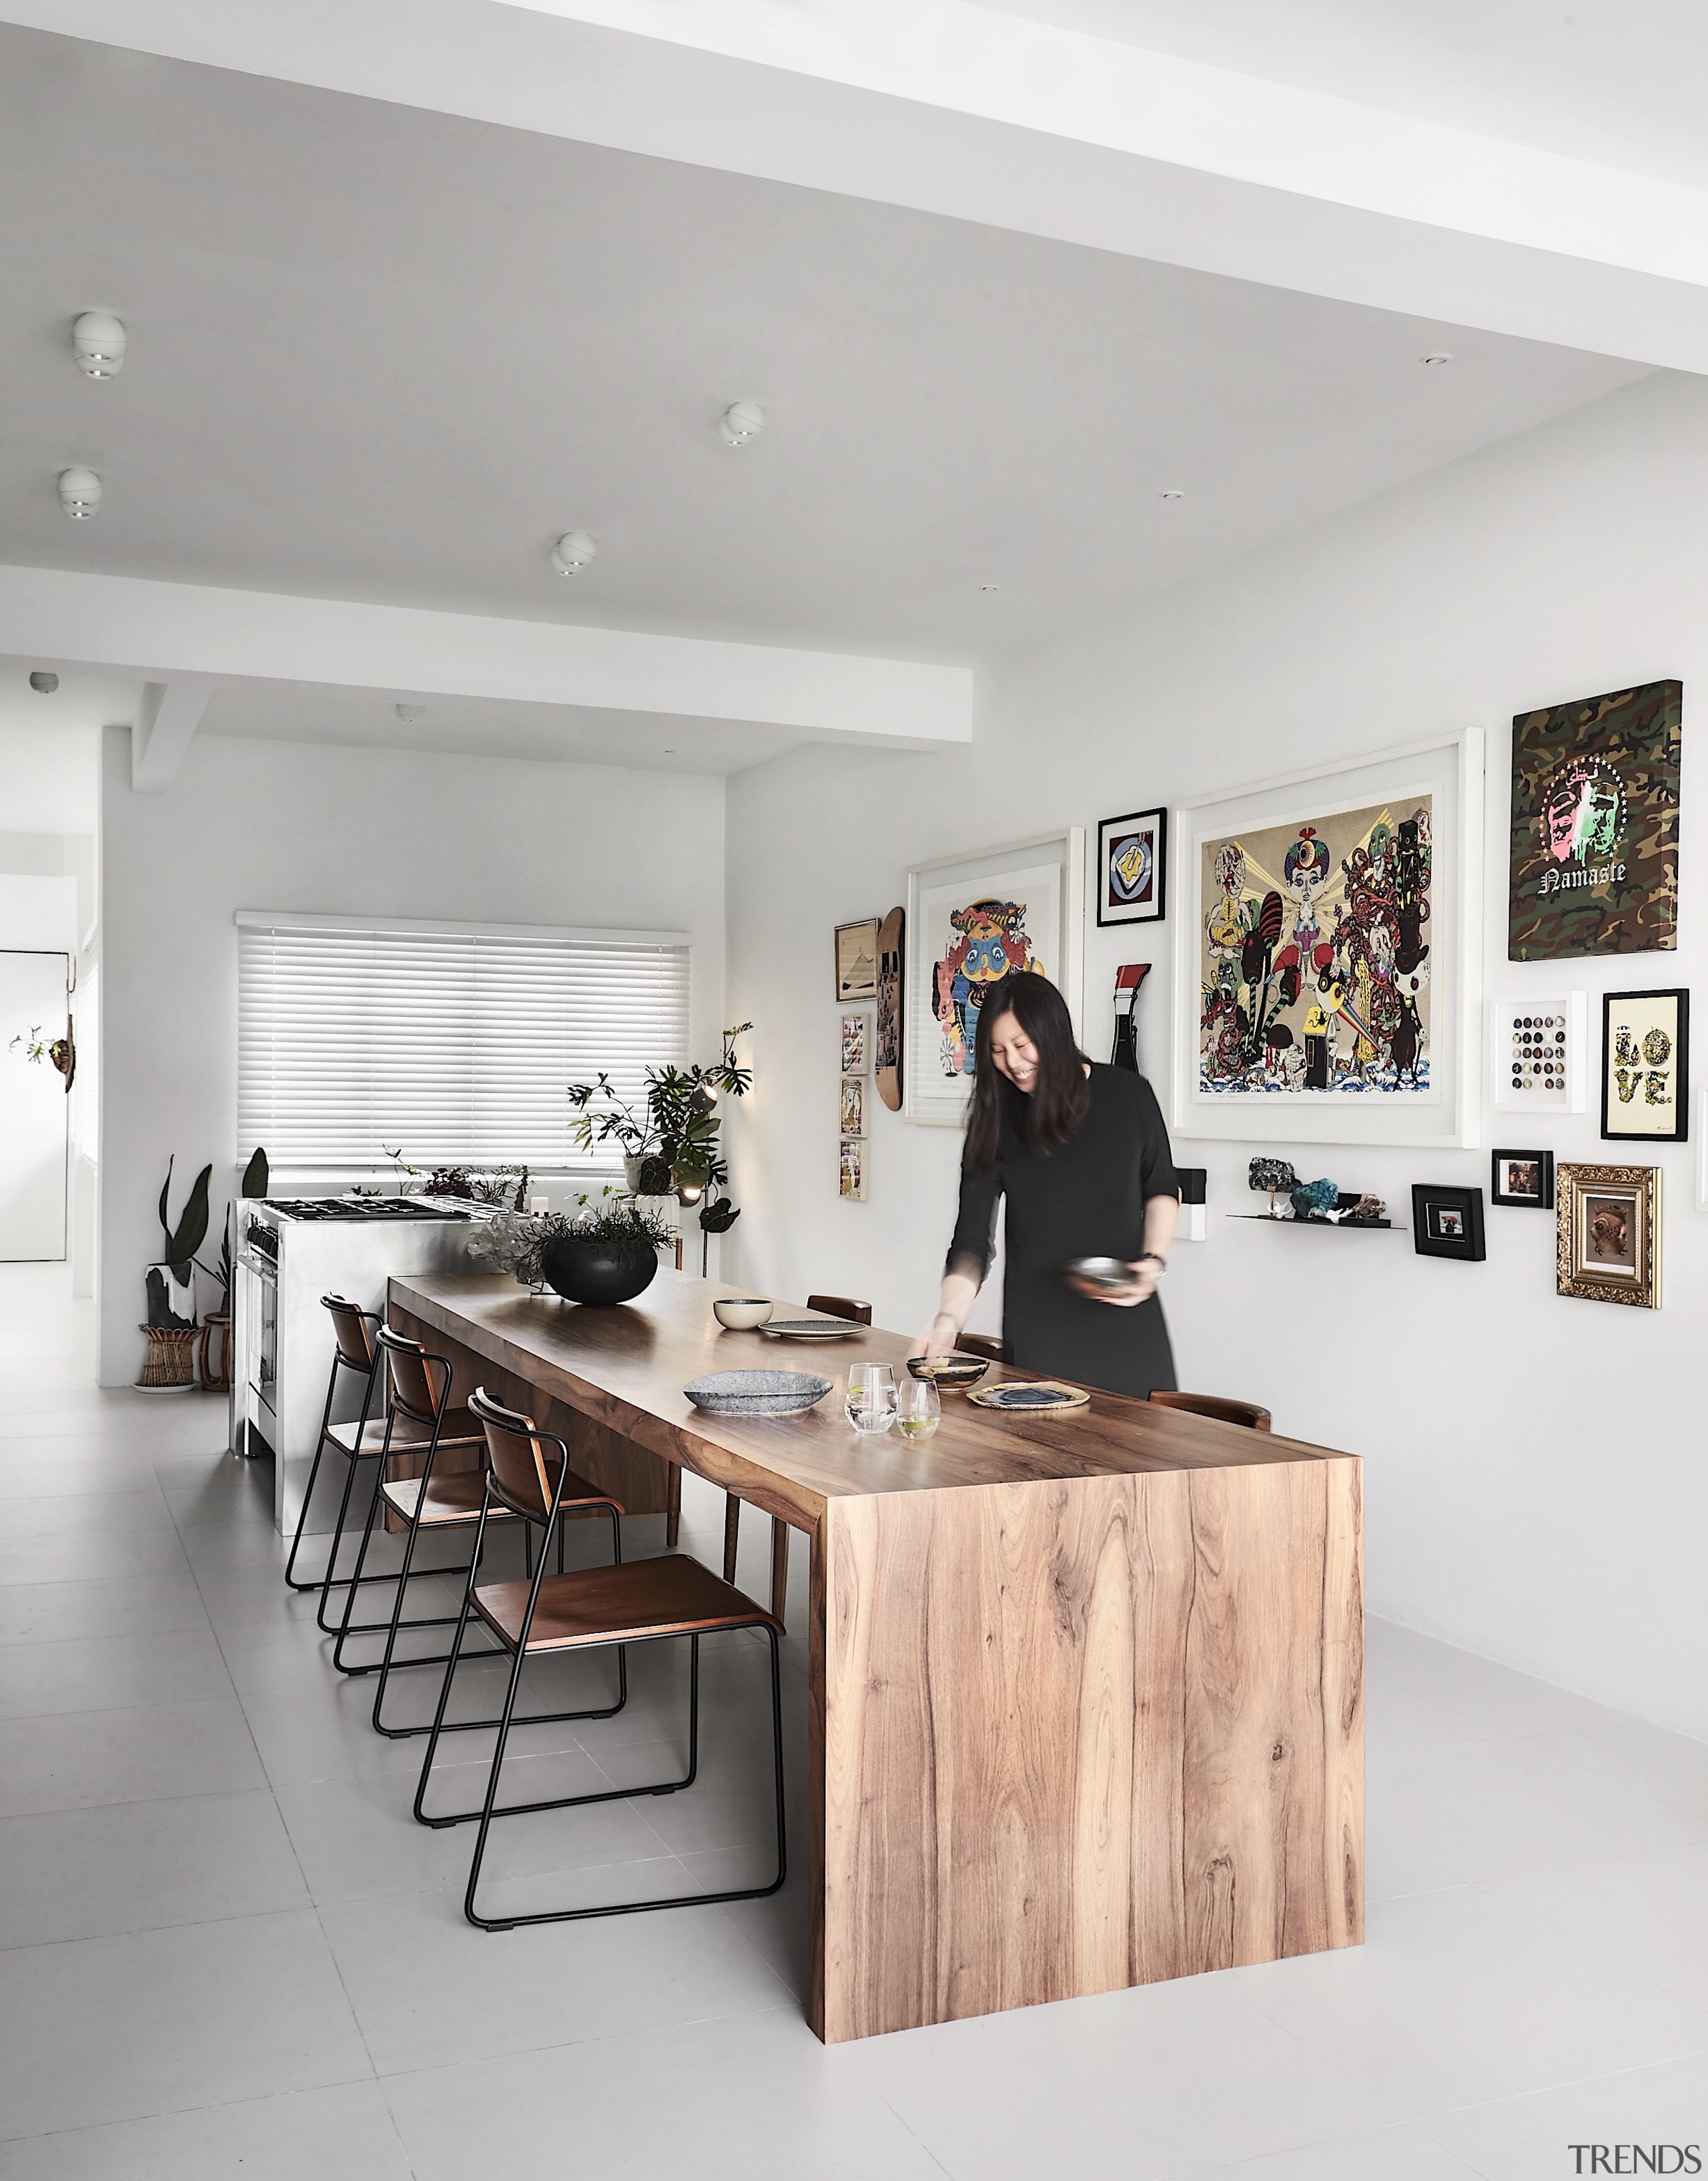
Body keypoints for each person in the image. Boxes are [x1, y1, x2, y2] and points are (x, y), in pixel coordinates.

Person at [913, 970, 1180, 1399]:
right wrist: (948, 1318)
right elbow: (971, 1239)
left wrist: (1152, 1261)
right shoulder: (997, 1118)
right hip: (1040, 1328)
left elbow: (1162, 1187)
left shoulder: (1129, 1096)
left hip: (1127, 1322)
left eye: (1022, 1045)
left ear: (1054, 1035)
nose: (1013, 1063)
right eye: (998, 1051)